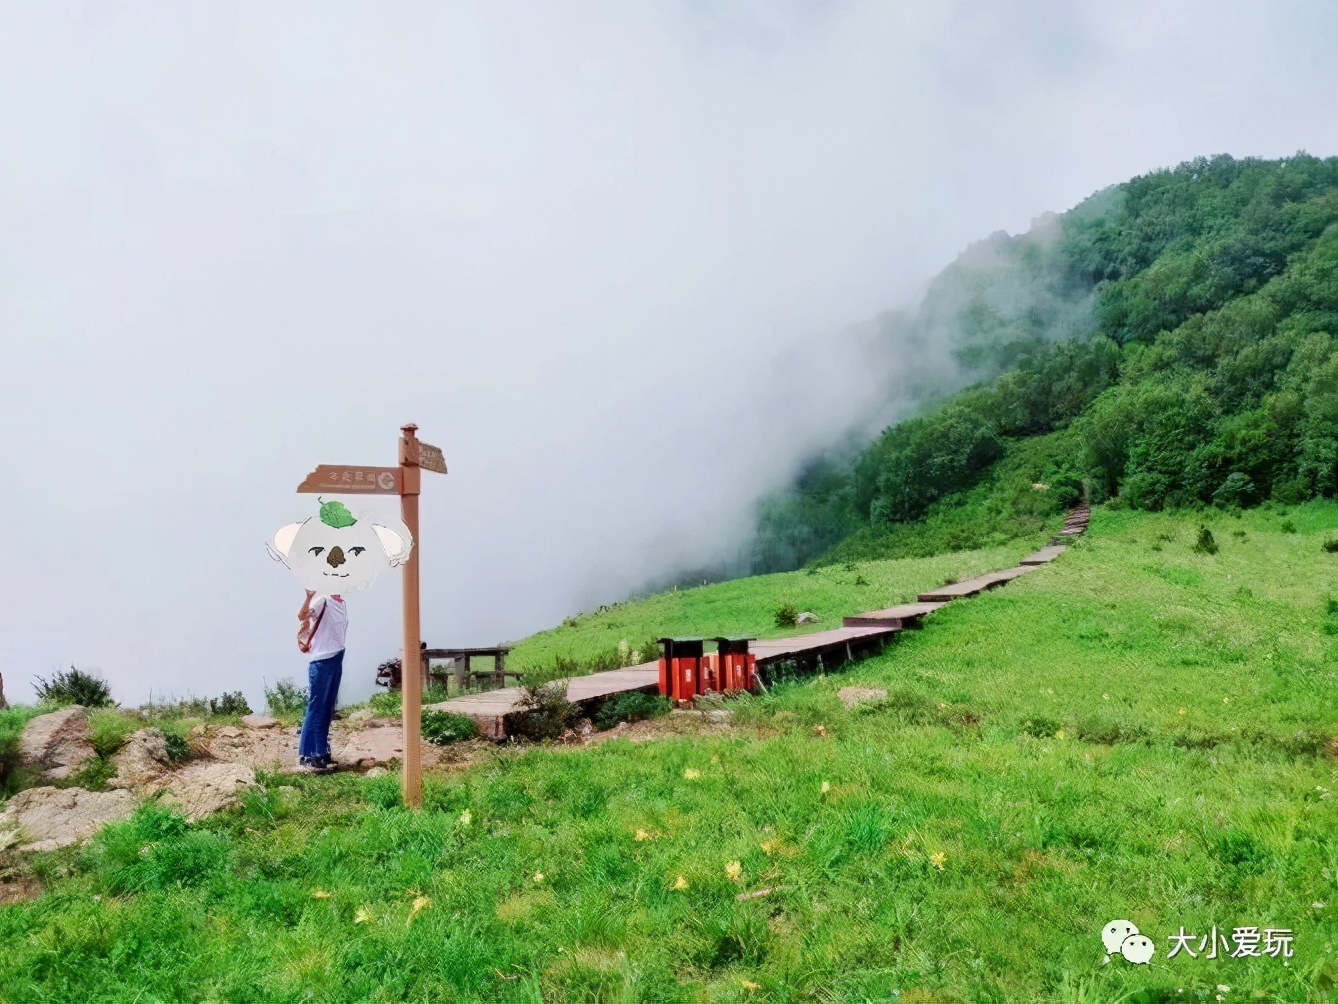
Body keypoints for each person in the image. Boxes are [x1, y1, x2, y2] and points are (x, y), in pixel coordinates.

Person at [296, 587, 347, 773]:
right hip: (321, 660)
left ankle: (321, 750)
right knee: (317, 707)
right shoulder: (322, 600)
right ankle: (310, 754)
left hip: (336, 657)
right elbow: (302, 616)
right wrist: (309, 597)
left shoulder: (341, 603)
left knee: (327, 709)